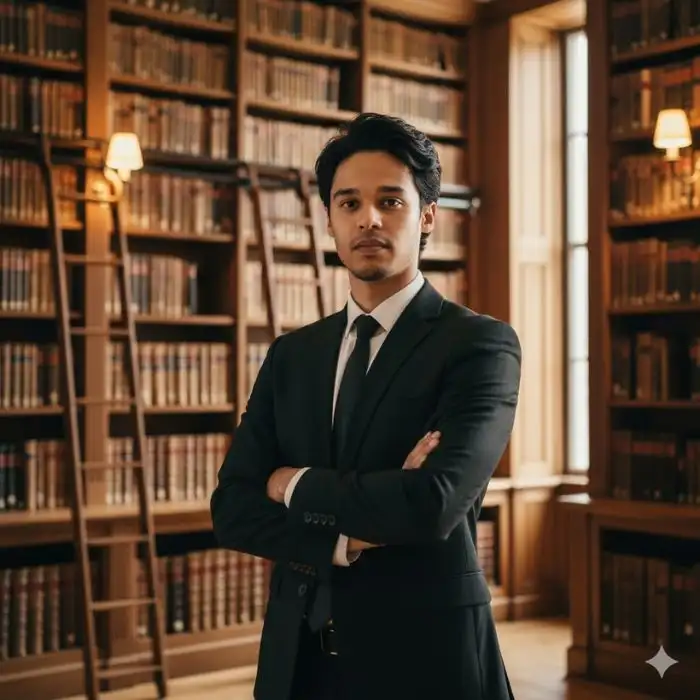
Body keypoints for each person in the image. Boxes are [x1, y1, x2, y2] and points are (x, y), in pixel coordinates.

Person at [210, 112, 521, 700]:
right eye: (348, 203)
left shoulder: (478, 345)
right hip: (298, 663)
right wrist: (347, 538)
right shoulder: (292, 355)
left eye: (390, 201)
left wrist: (293, 483)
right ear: (329, 219)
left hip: (426, 662)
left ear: (428, 215)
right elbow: (232, 507)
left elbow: (431, 505)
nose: (368, 219)